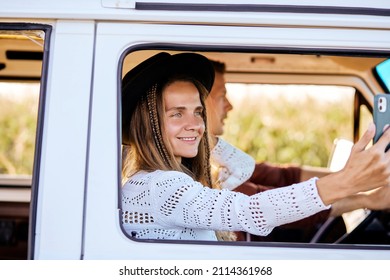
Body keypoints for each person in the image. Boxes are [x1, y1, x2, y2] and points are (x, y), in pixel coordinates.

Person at [121, 51, 390, 242]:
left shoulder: (167, 180)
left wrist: (196, 134)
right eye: (177, 113)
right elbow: (251, 210)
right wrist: (346, 181)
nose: (195, 123)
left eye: (199, 112)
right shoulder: (162, 187)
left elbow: (242, 168)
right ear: (149, 125)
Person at [207, 59, 390, 241]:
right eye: (223, 95)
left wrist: (357, 176)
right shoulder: (199, 177)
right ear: (203, 102)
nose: (230, 105)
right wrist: (366, 198)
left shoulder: (222, 163)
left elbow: (282, 177)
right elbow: (273, 208)